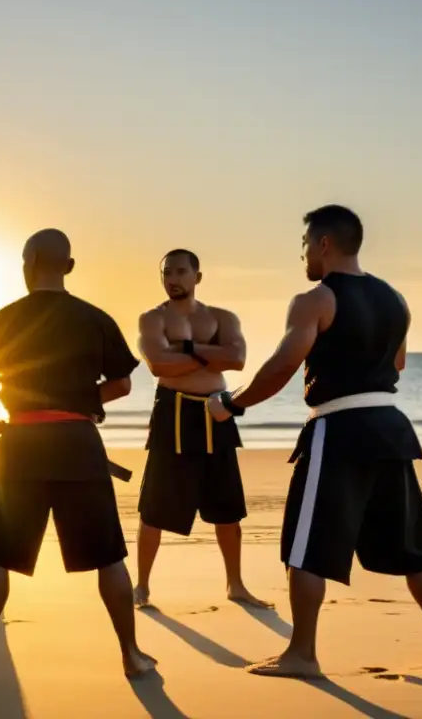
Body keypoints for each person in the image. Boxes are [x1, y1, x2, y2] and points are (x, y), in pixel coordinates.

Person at [206, 205, 422, 678]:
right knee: (415, 547)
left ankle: (301, 654)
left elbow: (282, 365)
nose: (302, 252)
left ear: (324, 244)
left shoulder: (315, 300)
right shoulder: (396, 299)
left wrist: (231, 404)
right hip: (390, 429)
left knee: (306, 547)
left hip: (338, 430)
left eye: (304, 243)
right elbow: (398, 363)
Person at [0, 229, 156, 681]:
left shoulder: (5, 318)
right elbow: (122, 383)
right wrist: (83, 403)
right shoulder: (94, 317)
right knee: (108, 556)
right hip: (78, 442)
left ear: (31, 261)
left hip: (21, 443)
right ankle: (132, 655)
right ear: (68, 265)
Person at [134, 250, 270, 609]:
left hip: (215, 412)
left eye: (181, 271)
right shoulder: (152, 319)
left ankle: (235, 584)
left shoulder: (222, 317)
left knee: (228, 508)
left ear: (197, 276)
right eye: (167, 273)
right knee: (155, 508)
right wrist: (211, 353)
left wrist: (188, 348)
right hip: (172, 413)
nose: (173, 278)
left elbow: (237, 359)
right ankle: (142, 586)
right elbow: (158, 363)